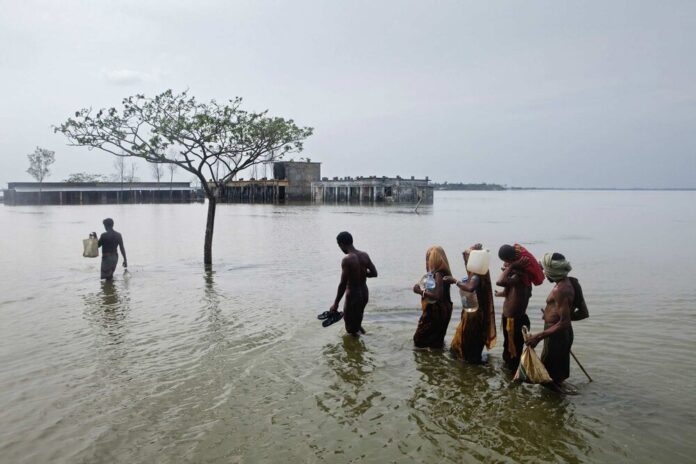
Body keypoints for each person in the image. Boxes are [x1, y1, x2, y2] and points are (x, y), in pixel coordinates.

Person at [525, 253, 585, 391]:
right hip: (563, 334)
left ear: (553, 272)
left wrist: (538, 336)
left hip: (556, 336)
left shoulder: (560, 290)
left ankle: (554, 404)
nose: (545, 275)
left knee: (547, 378)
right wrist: (551, 316)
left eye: (545, 271)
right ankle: (560, 403)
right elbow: (583, 313)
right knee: (557, 374)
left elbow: (564, 322)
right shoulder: (573, 283)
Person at [445, 244, 497, 363]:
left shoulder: (476, 276)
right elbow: (465, 254)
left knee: (468, 344)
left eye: (468, 259)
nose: (466, 261)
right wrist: (475, 248)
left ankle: (470, 362)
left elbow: (470, 288)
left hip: (474, 316)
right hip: (475, 313)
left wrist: (454, 281)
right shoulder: (480, 272)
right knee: (465, 343)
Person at [329, 231, 378, 335]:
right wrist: (362, 273)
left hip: (353, 296)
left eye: (339, 246)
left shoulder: (347, 259)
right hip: (364, 294)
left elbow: (343, 284)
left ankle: (357, 349)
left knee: (350, 329)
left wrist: (336, 303)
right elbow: (374, 273)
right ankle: (365, 339)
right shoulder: (364, 255)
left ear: (341, 244)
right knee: (357, 322)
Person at [496, 246, 535, 370]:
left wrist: (511, 267)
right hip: (513, 319)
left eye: (507, 263)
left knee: (513, 352)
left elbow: (500, 281)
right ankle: (510, 371)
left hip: (514, 321)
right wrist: (500, 294)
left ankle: (512, 374)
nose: (504, 266)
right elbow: (511, 292)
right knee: (509, 348)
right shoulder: (519, 277)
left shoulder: (519, 276)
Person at [412, 246, 453, 348]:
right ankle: (436, 359)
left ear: (433, 259)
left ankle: (429, 361)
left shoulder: (438, 274)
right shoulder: (445, 273)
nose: (427, 262)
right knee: (436, 341)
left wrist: (420, 291)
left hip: (436, 312)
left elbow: (437, 296)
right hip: (444, 310)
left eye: (428, 258)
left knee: (419, 340)